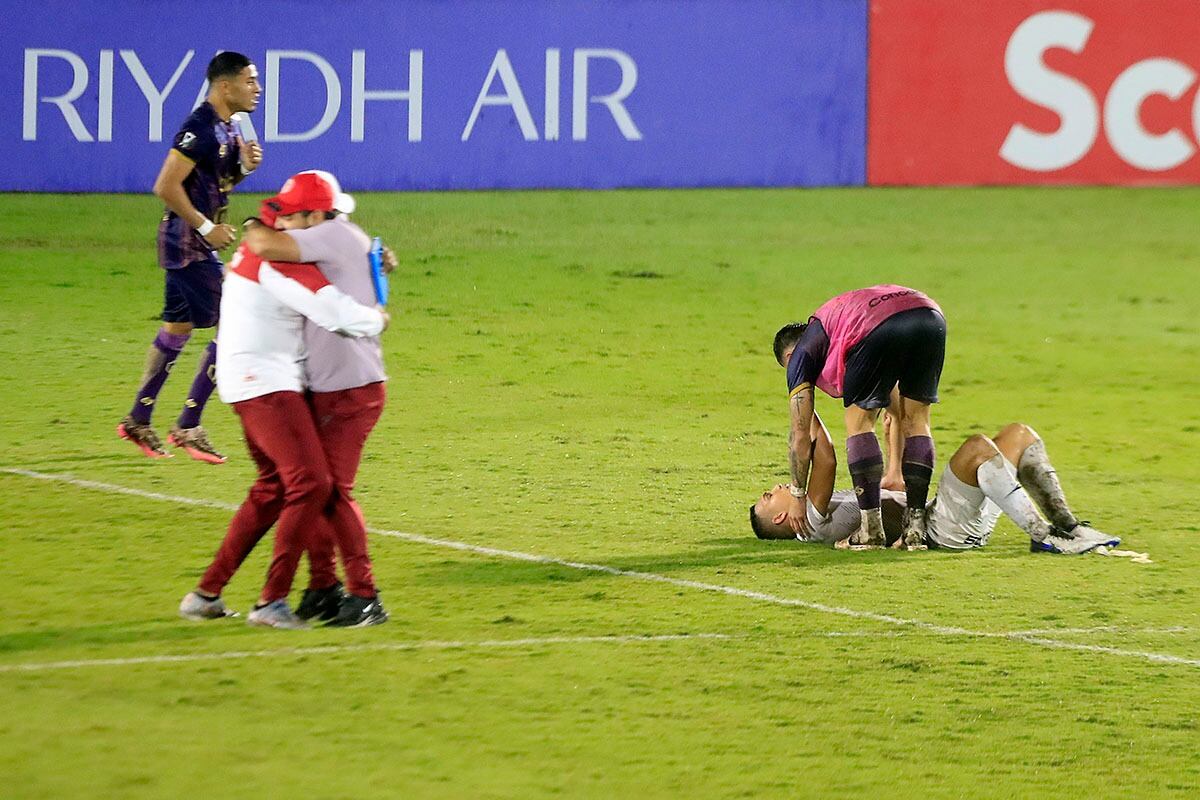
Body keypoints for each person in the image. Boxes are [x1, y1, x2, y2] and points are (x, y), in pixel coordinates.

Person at [178, 189, 388, 630]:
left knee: (274, 488)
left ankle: (206, 594)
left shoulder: (256, 254)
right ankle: (271, 601)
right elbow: (337, 315)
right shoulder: (279, 263)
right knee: (312, 484)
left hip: (246, 382)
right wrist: (378, 318)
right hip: (268, 385)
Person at [239, 171, 392, 627]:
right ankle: (323, 587)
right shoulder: (340, 238)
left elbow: (262, 245)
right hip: (330, 384)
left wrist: (250, 222)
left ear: (316, 214)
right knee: (316, 491)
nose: (283, 222)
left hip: (350, 387)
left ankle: (365, 596)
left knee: (333, 494)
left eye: (290, 215)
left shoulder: (332, 234)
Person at [117, 51, 263, 464]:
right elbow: (165, 185)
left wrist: (243, 168)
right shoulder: (199, 127)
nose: (257, 89)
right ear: (225, 86)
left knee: (177, 329)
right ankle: (188, 424)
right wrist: (206, 228)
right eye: (250, 81)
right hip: (187, 244)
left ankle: (138, 419)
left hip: (189, 243)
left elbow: (215, 183)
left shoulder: (228, 127)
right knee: (237, 321)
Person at [750, 418, 1120, 554]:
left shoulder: (834, 508)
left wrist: (893, 444)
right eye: (768, 497)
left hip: (946, 519)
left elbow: (892, 490)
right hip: (942, 531)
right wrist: (803, 389)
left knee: (1018, 435)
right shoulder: (808, 523)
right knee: (976, 448)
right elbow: (825, 456)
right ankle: (1045, 536)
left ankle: (1070, 527)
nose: (774, 487)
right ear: (781, 518)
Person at [773, 285, 946, 550]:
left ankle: (870, 531)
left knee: (858, 423)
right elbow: (897, 411)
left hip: (875, 325)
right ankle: (914, 531)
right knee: (917, 421)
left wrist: (798, 496)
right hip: (929, 316)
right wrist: (893, 468)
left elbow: (800, 434)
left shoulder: (802, 353)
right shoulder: (837, 327)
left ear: (789, 356)